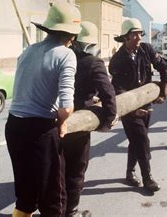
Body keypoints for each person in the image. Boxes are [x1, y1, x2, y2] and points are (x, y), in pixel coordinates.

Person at [5, 2, 81, 217]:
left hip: (14, 126)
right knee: (52, 198)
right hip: (40, 130)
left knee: (26, 194)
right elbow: (66, 106)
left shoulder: (28, 50)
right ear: (72, 35)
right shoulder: (66, 55)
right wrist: (63, 123)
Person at [109, 18, 167, 192]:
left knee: (136, 140)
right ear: (125, 37)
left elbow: (164, 66)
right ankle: (147, 177)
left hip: (147, 103)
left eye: (139, 34)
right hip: (129, 108)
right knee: (142, 139)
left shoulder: (146, 49)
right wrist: (133, 108)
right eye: (134, 35)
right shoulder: (117, 60)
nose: (138, 38)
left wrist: (164, 89)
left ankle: (129, 172)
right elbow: (117, 88)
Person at [64, 21, 117, 216]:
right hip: (79, 120)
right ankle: (71, 211)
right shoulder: (94, 62)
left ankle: (58, 207)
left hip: (56, 117)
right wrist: (109, 118)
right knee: (77, 168)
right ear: (91, 44)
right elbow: (107, 92)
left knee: (61, 167)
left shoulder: (64, 57)